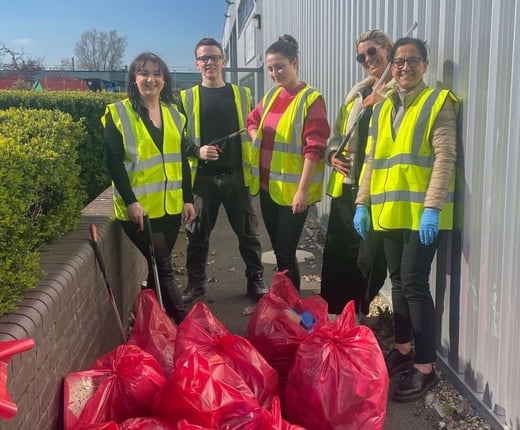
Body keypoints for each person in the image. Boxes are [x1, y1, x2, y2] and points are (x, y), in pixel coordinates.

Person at [354, 37, 458, 402]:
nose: (403, 67)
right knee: (397, 281)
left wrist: (433, 208)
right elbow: (371, 160)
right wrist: (362, 203)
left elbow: (445, 158)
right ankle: (402, 349)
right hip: (389, 212)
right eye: (398, 62)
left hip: (423, 215)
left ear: (425, 65)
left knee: (414, 283)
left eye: (412, 60)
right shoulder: (382, 109)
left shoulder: (438, 103)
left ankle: (425, 368)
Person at [102, 52, 196, 325]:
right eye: (144, 73)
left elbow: (182, 161)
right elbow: (115, 164)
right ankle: (186, 323)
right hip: (139, 210)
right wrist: (131, 201)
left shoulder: (175, 116)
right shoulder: (117, 113)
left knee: (157, 274)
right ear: (134, 79)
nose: (150, 79)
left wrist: (188, 199)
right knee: (164, 267)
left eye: (156, 73)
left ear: (164, 80)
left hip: (170, 205)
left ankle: (156, 327)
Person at [179, 37, 266, 303]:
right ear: (196, 64)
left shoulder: (242, 94)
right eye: (204, 58)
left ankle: (256, 282)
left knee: (248, 235)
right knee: (197, 238)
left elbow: (256, 127)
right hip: (202, 179)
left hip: (236, 177)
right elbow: (176, 139)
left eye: (214, 57)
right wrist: (197, 150)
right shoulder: (186, 98)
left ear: (223, 61)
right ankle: (196, 286)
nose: (210, 62)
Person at [247, 34, 330, 290]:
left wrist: (303, 191)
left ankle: (293, 310)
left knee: (284, 251)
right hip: (267, 188)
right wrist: (256, 136)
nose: (275, 73)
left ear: (295, 62)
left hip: (293, 193)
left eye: (280, 66)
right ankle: (286, 306)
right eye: (270, 68)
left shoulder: (310, 99)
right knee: (281, 253)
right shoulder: (271, 96)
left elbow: (314, 148)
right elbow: (252, 121)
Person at [321, 29, 393, 317]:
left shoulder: (397, 94)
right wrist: (331, 156)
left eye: (373, 52)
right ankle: (336, 318)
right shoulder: (356, 95)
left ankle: (360, 317)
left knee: (369, 261)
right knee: (339, 257)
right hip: (346, 187)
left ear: (388, 50)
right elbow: (336, 136)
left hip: (376, 191)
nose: (367, 59)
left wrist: (386, 99)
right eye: (361, 55)